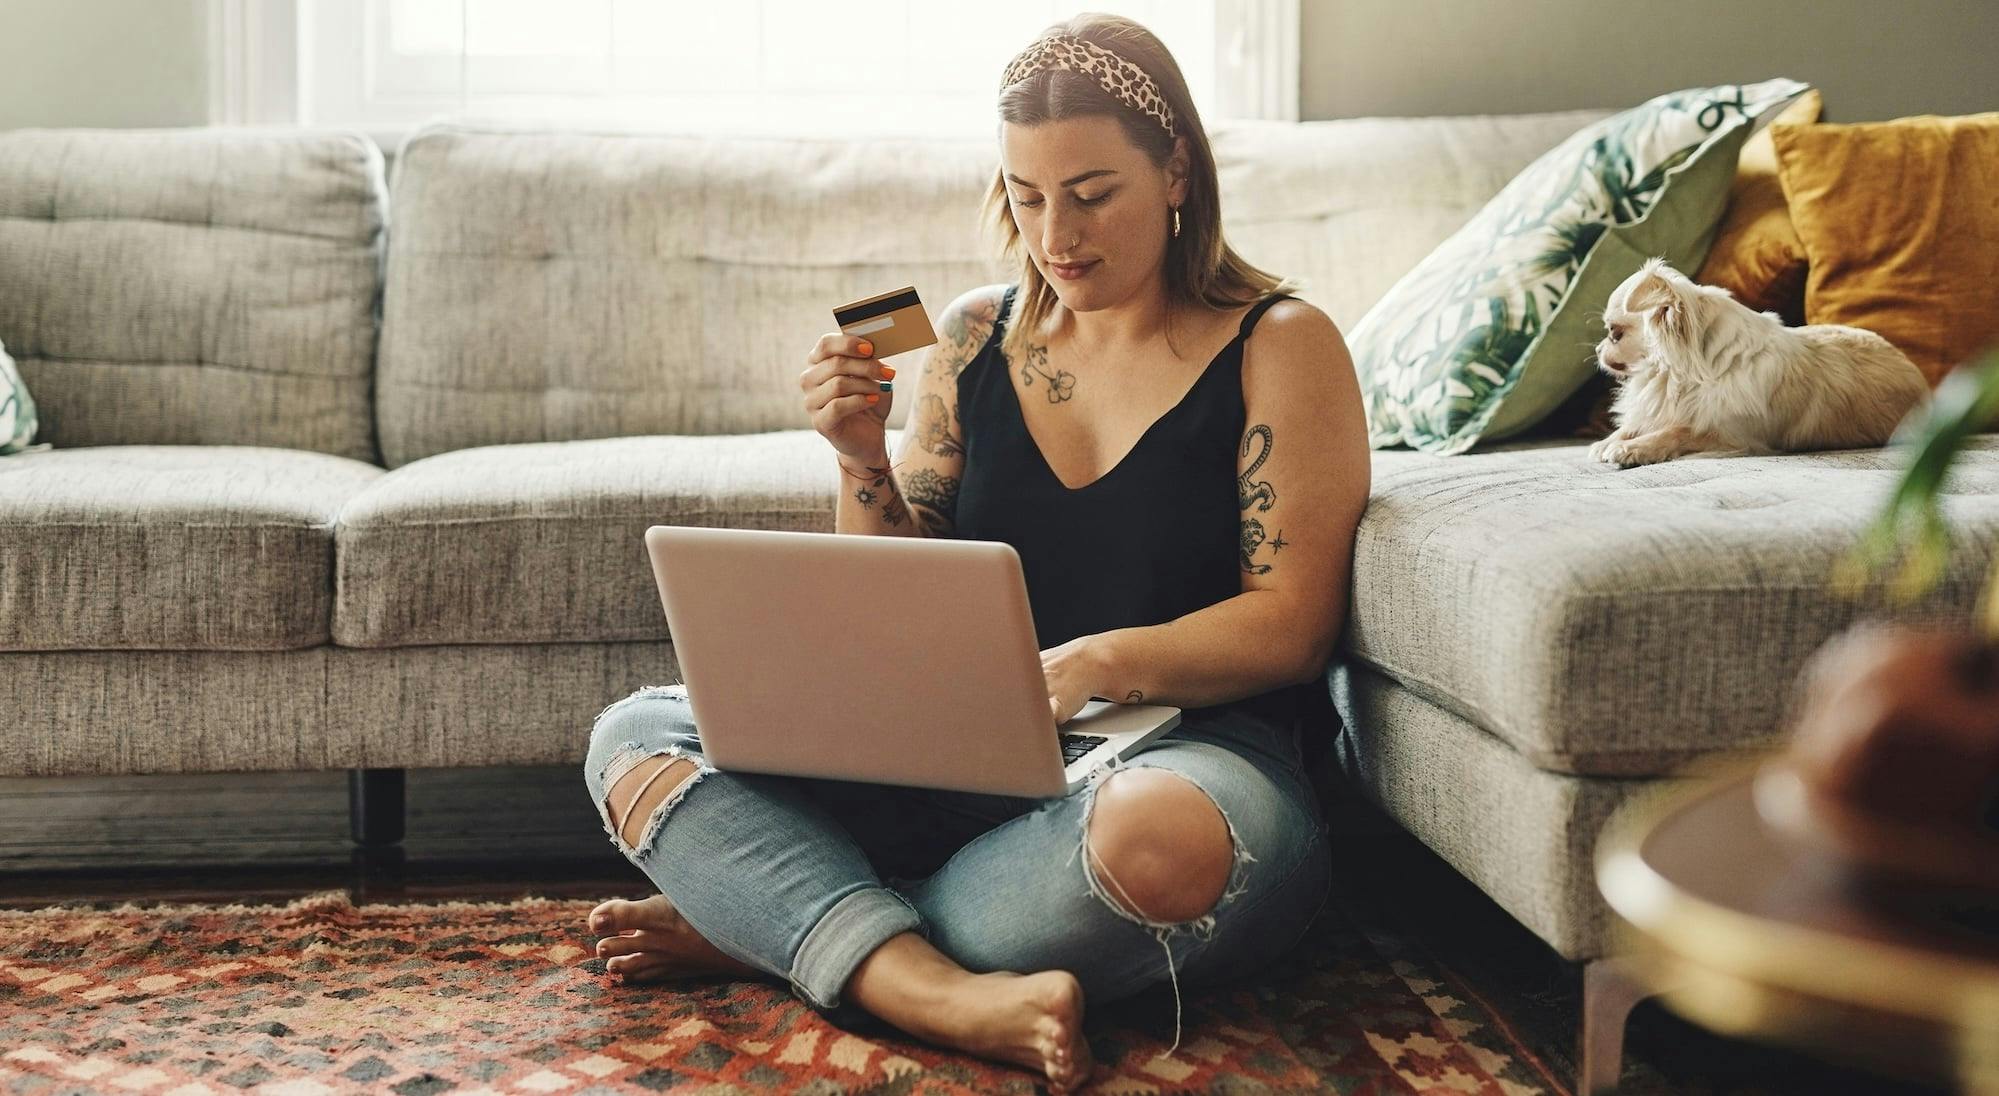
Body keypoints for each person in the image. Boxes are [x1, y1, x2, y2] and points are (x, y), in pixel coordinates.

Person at [581, 13, 1370, 1092]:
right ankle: (925, 981)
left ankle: (783, 925)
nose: (1058, 235)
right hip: (961, 760)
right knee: (638, 735)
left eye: (1092, 194)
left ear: (1176, 165)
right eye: (1028, 196)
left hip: (1184, 764)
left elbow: (1291, 621)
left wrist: (1088, 666)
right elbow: (893, 596)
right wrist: (861, 456)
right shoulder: (968, 336)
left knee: (1157, 842)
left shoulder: (1283, 342)